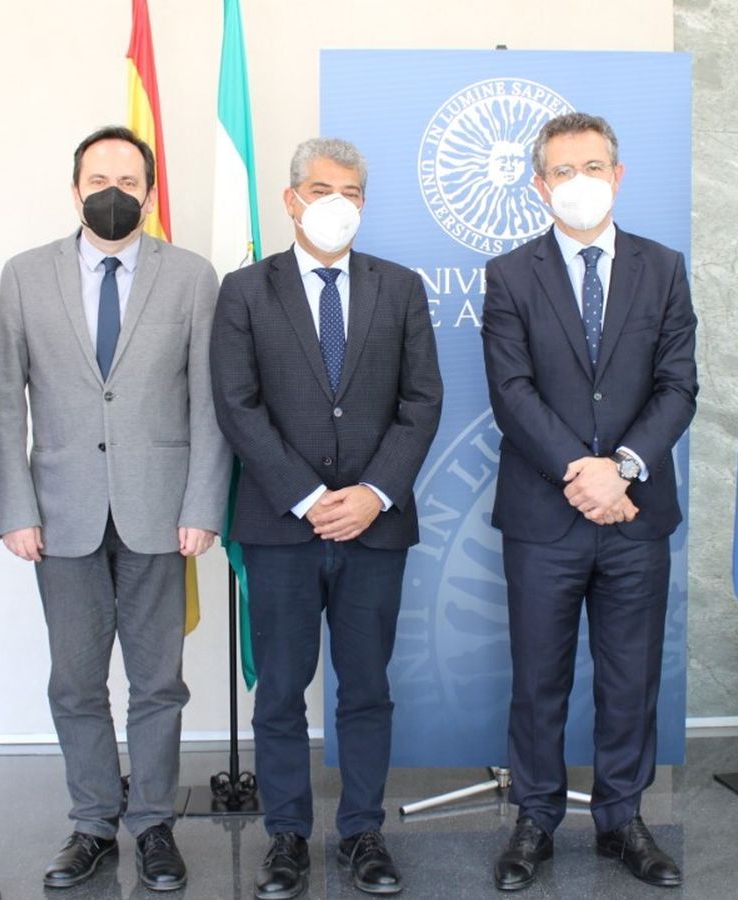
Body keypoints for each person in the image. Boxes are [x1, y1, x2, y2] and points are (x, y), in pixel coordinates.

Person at [0, 125, 229, 893]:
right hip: (59, 517)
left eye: (128, 180)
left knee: (159, 682)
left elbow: (209, 404)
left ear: (150, 193)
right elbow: (2, 404)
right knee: (76, 681)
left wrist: (204, 503)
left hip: (163, 511)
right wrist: (13, 508)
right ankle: (93, 822)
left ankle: (153, 821)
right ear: (75, 189)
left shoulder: (192, 277)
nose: (112, 192)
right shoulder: (25, 276)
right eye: (98, 179)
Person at [210, 137, 442, 899]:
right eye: (318, 188)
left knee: (366, 687)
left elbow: (421, 401)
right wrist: (310, 497)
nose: (333, 201)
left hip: (375, 526)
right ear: (290, 199)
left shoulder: (400, 288)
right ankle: (285, 837)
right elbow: (237, 406)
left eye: (348, 189)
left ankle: (363, 832)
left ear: (364, 204)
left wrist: (373, 492)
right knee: (279, 688)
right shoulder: (245, 291)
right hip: (281, 527)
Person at [480, 111, 697, 891]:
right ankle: (534, 819)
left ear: (619, 174)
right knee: (538, 677)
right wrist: (584, 471)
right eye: (563, 171)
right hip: (545, 514)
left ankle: (622, 819)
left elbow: (679, 385)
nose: (580, 182)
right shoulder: (509, 275)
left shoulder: (663, 268)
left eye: (593, 167)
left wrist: (624, 469)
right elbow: (513, 393)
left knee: (629, 676)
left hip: (636, 516)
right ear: (540, 185)